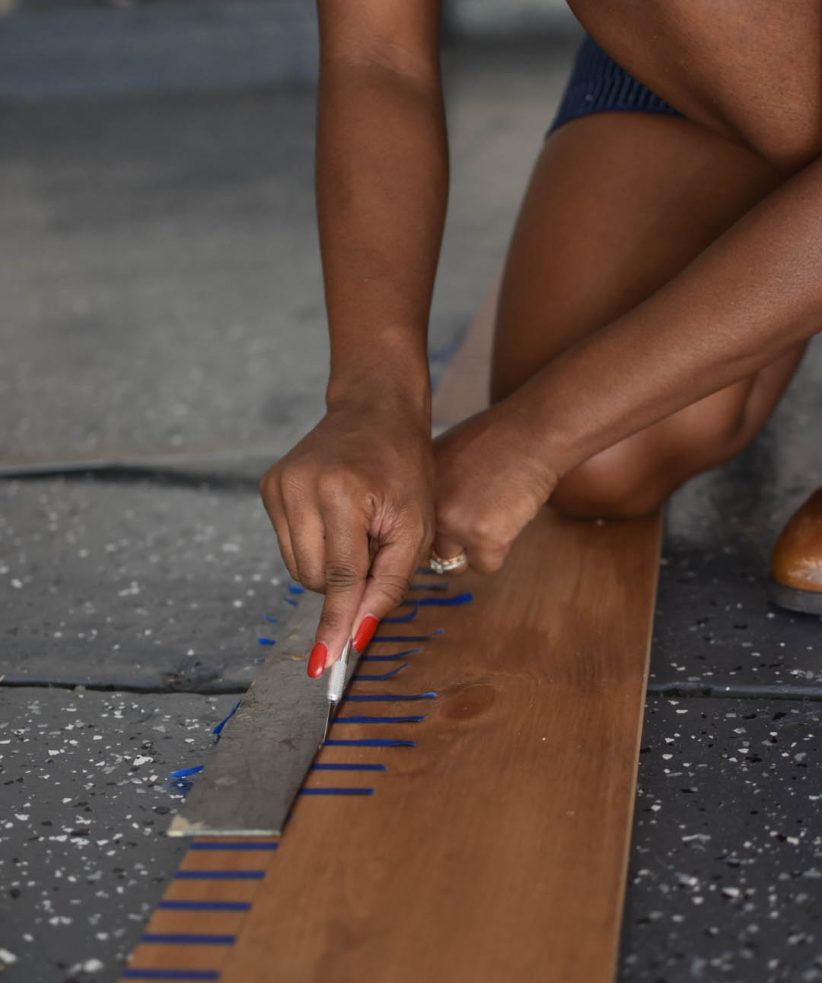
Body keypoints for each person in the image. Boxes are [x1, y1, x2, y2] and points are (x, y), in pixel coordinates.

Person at [259, 1, 822, 679]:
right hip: (707, 50)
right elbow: (377, 57)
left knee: (572, 422)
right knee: (607, 457)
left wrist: (536, 434)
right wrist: (372, 396)